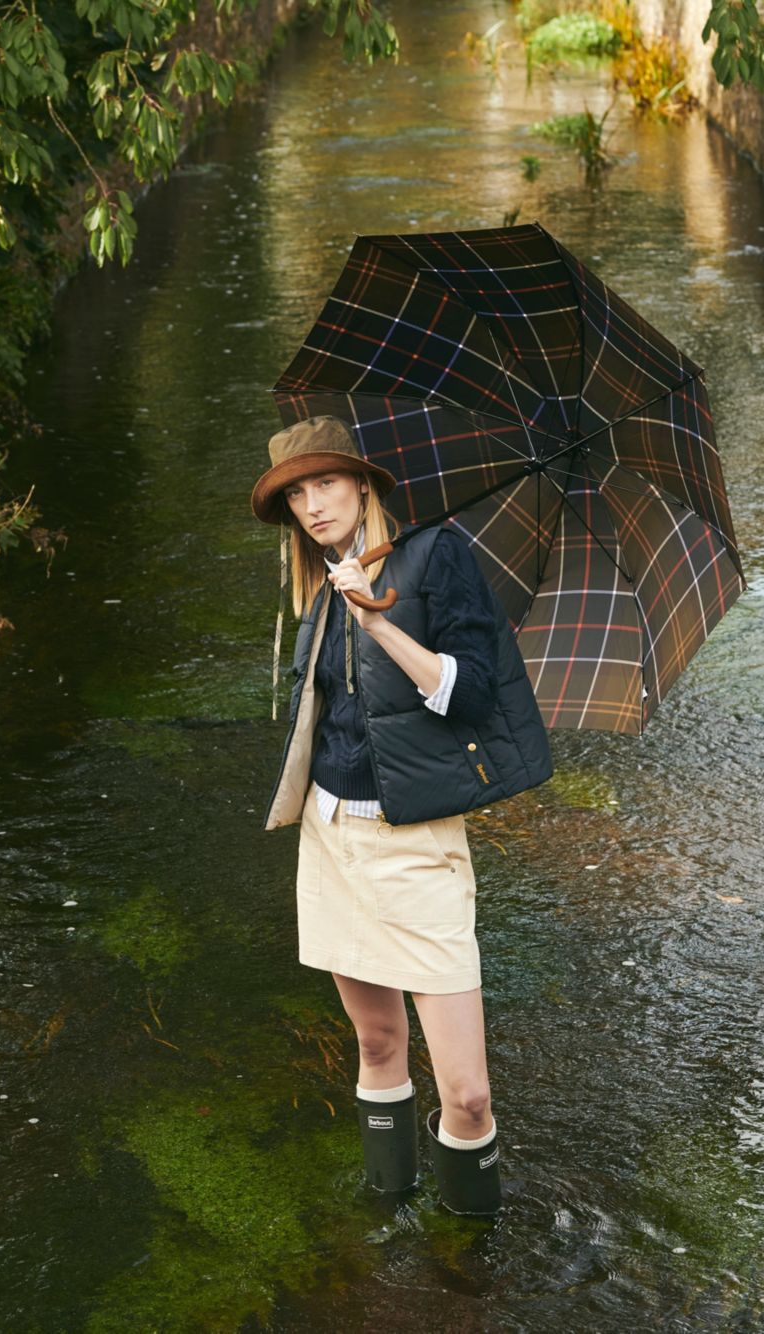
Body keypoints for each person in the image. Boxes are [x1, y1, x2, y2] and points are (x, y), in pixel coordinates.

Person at [249, 414, 553, 1216]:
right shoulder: (317, 581)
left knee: (469, 1095)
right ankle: (387, 1218)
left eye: (325, 484)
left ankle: (468, 1253)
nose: (313, 506)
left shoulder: (435, 556)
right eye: (296, 496)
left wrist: (379, 622)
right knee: (377, 1041)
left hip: (417, 844)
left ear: (361, 484)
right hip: (331, 838)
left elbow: (474, 694)